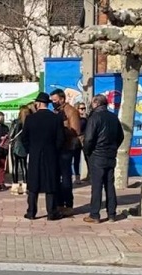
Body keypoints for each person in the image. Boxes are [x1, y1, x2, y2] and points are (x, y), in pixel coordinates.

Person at [21, 92, 64, 221]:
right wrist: (54, 150)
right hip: (51, 155)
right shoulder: (56, 118)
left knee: (33, 184)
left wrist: (31, 150)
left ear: (38, 104)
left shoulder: (30, 119)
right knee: (51, 183)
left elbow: (24, 138)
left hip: (35, 155)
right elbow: (60, 139)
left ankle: (31, 212)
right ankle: (51, 212)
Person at [83, 94, 124, 224]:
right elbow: (120, 136)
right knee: (109, 185)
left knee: (96, 186)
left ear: (96, 103)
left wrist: (87, 151)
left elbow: (88, 138)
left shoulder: (94, 117)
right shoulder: (113, 117)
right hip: (110, 155)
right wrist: (113, 148)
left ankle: (95, 214)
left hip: (97, 155)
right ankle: (111, 214)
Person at [50, 88, 81, 217]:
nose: (53, 103)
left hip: (66, 149)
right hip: (56, 149)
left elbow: (75, 131)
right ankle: (58, 204)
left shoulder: (71, 111)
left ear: (62, 99)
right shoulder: (55, 112)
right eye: (52, 101)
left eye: (55, 100)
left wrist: (60, 130)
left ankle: (68, 205)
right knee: (56, 178)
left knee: (66, 178)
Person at [10, 105, 31, 195]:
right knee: (24, 166)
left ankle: (15, 187)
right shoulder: (29, 122)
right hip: (25, 146)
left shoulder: (16, 122)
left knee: (15, 166)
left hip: (15, 146)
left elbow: (11, 135)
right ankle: (25, 186)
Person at [73, 102, 88, 184]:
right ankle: (77, 177)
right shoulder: (76, 119)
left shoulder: (85, 119)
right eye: (81, 108)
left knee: (87, 158)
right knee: (76, 159)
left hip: (85, 141)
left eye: (84, 108)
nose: (83, 110)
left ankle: (90, 175)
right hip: (76, 141)